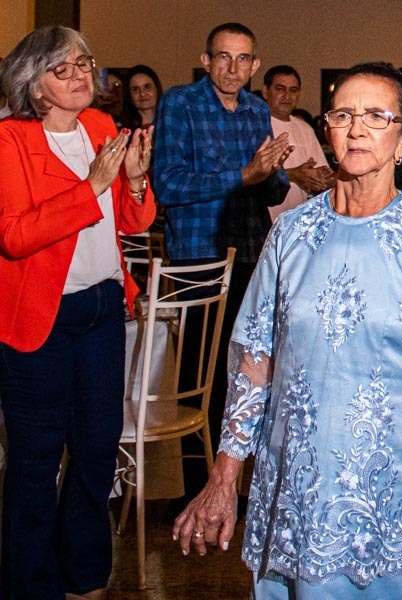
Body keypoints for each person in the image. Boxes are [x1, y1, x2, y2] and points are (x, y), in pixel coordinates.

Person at [172, 61, 402, 599]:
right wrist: (224, 477)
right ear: (325, 131)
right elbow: (256, 363)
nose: (356, 129)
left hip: (399, 492)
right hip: (299, 489)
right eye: (343, 114)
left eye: (376, 115)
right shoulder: (292, 236)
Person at [0, 25, 155, 599]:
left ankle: (84, 575)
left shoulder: (101, 127)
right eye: (62, 68)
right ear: (33, 85)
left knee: (96, 449)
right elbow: (15, 237)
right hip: (39, 316)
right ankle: (29, 584)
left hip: (102, 310)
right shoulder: (9, 141)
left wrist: (134, 183)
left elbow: (134, 223)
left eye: (85, 63)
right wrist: (91, 186)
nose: (80, 75)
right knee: (36, 462)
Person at [153, 22, 291, 466]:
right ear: (206, 60)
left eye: (243, 59)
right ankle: (194, 484)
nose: (233, 68)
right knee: (201, 376)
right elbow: (168, 184)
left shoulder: (254, 109)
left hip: (251, 251)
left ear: (255, 65)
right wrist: (244, 175)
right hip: (200, 254)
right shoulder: (180, 103)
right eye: (224, 57)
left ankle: (230, 480)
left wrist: (271, 173)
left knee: (247, 371)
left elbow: (273, 190)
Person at [261, 64, 334, 219]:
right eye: (280, 89)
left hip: (297, 221)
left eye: (293, 90)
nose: (287, 96)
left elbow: (321, 172)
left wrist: (326, 178)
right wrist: (293, 175)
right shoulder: (255, 125)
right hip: (263, 221)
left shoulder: (304, 128)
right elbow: (248, 178)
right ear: (266, 91)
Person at [120, 64, 163, 131]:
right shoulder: (122, 130)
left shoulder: (169, 124)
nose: (142, 94)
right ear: (129, 96)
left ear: (157, 89)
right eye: (135, 89)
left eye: (147, 87)